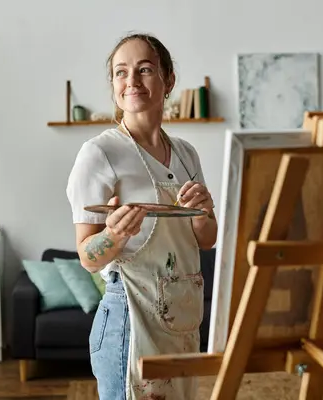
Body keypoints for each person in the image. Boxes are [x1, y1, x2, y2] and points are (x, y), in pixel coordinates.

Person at [66, 32, 218, 400]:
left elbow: (207, 238)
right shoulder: (99, 153)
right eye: (121, 72)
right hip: (129, 321)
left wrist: (202, 212)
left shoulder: (186, 154)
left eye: (144, 69)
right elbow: (87, 256)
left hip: (182, 320)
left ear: (168, 80)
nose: (131, 80)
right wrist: (115, 236)